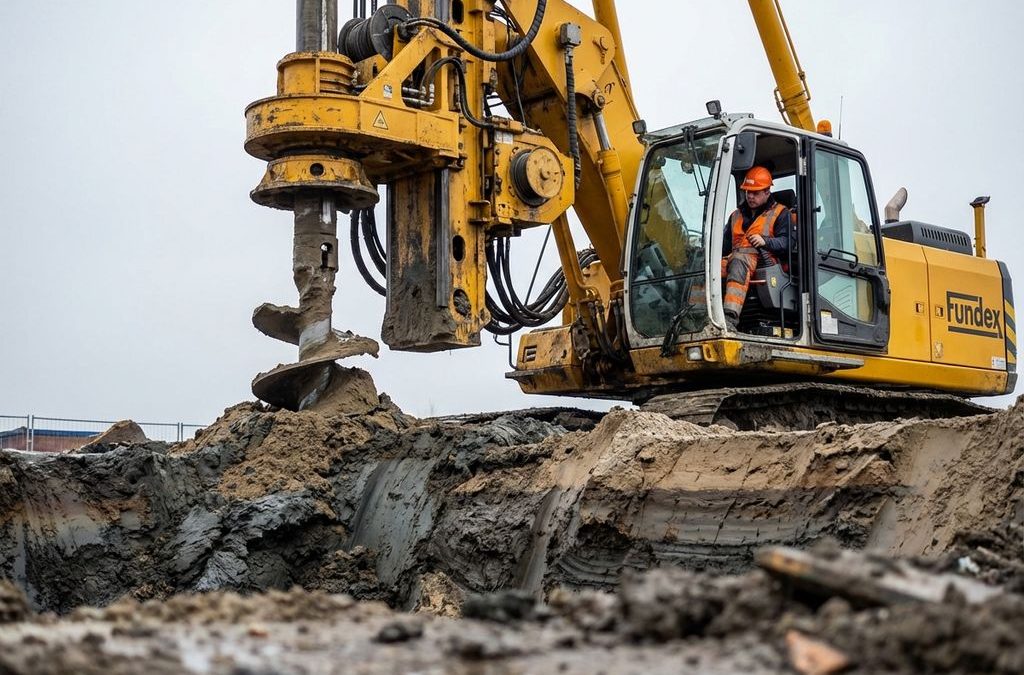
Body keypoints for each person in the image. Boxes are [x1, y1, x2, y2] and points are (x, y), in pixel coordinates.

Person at [721, 166, 794, 330]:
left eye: (755, 193)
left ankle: (728, 319)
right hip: (735, 259)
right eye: (748, 192)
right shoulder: (736, 215)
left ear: (767, 192)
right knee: (710, 268)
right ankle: (697, 315)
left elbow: (788, 243)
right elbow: (725, 247)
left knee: (738, 263)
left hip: (765, 262)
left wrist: (765, 241)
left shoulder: (781, 213)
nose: (750, 196)